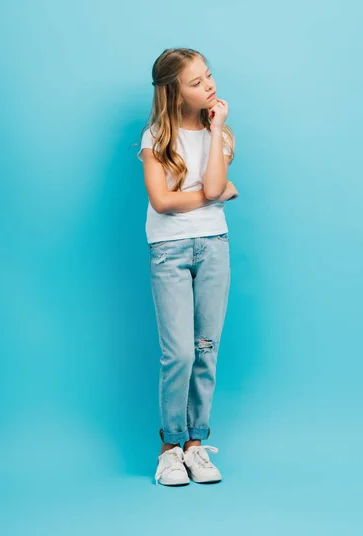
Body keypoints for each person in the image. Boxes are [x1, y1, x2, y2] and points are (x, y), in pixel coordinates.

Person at [137, 47, 239, 486]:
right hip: (168, 250)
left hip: (214, 245)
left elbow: (215, 182)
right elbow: (162, 201)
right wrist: (213, 195)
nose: (208, 86)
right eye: (196, 83)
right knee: (177, 353)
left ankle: (197, 445)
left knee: (205, 349)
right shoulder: (155, 137)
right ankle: (169, 448)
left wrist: (216, 131)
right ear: (173, 92)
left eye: (209, 77)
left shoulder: (223, 133)